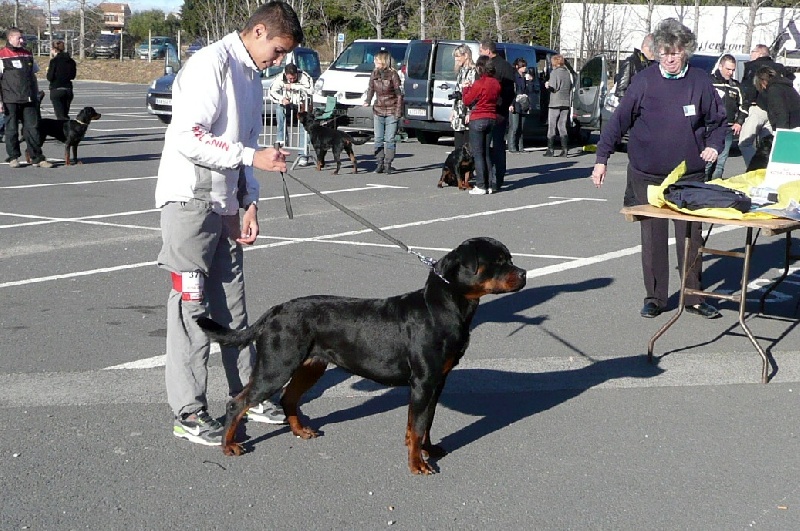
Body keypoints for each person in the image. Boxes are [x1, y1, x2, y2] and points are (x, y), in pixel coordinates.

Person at [155, 1, 303, 447]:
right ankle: (189, 411)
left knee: (234, 312)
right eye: (276, 51)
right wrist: (247, 158)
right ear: (258, 32)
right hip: (188, 201)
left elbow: (249, 144)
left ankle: (249, 394)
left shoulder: (253, 77)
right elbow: (188, 136)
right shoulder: (209, 65)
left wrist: (250, 202)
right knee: (190, 310)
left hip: (224, 206)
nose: (277, 61)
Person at [591, 18, 727, 320]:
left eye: (676, 52)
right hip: (647, 174)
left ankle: (692, 295)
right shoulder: (645, 80)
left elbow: (718, 122)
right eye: (664, 52)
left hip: (689, 174)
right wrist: (602, 159)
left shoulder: (701, 81)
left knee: (690, 236)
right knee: (652, 236)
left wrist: (714, 146)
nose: (670, 58)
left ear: (686, 52)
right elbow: (618, 121)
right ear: (657, 52)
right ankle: (654, 297)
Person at [0, 28, 51, 168]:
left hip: (29, 98)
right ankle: (13, 157)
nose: (22, 40)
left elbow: (33, 75)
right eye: (19, 38)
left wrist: (36, 94)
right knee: (11, 129)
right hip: (10, 99)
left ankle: (37, 158)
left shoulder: (27, 54)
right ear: (10, 38)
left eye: (22, 38)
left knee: (33, 128)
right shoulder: (2, 55)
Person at [738, 44, 794, 166]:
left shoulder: (754, 67)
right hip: (772, 112)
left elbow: (748, 89)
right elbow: (792, 78)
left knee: (744, 143)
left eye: (752, 51)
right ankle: (768, 167)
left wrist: (743, 112)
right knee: (768, 145)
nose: (750, 54)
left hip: (758, 108)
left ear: (759, 53)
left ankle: (755, 167)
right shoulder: (779, 67)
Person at [462, 55, 501, 195]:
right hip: (491, 117)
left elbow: (467, 101)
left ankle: (480, 185)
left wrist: (465, 89)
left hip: (478, 118)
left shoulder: (479, 83)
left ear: (480, 68)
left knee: (478, 154)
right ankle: (490, 184)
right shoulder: (496, 83)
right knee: (486, 153)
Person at [479, 39, 515, 189]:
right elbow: (510, 92)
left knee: (490, 145)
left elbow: (507, 91)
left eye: (481, 50)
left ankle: (493, 178)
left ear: (488, 51)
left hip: (493, 111)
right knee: (497, 144)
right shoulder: (506, 65)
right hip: (499, 111)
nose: (480, 53)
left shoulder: (493, 66)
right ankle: (496, 178)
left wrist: (499, 105)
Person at [363, 50, 403, 174]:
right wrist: (367, 100)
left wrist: (398, 112)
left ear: (383, 61)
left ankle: (388, 164)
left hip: (391, 109)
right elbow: (370, 89)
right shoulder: (374, 73)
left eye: (377, 60)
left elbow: (399, 95)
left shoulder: (393, 75)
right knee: (378, 138)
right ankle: (379, 163)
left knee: (390, 138)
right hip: (378, 109)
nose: (375, 62)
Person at [706, 54, 745, 179]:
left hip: (728, 128)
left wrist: (739, 122)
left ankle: (716, 185)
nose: (731, 73)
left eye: (733, 70)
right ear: (720, 66)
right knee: (708, 161)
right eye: (728, 69)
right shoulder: (709, 82)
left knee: (721, 162)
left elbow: (744, 107)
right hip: (710, 127)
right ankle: (702, 185)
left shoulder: (735, 86)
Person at [268, 62, 312, 156]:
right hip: (288, 103)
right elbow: (271, 91)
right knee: (279, 110)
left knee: (304, 126)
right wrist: (281, 99)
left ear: (297, 74)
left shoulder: (305, 76)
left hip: (302, 103)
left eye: (294, 78)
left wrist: (293, 87)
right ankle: (282, 141)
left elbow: (310, 90)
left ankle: (303, 154)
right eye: (289, 79)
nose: (291, 80)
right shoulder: (280, 77)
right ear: (285, 75)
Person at [543, 54, 573, 157]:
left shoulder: (554, 73)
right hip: (566, 102)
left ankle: (550, 149)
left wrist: (547, 85)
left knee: (552, 126)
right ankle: (565, 149)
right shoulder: (567, 73)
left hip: (555, 102)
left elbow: (554, 87)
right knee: (562, 125)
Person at [754, 65, 800, 130]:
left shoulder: (774, 90)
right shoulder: (786, 86)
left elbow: (781, 113)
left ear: (763, 81)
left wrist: (781, 134)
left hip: (789, 129)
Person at [450, 44, 476, 153]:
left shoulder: (474, 71)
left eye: (458, 56)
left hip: (468, 108)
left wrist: (470, 112)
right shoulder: (461, 71)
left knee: (467, 144)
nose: (456, 59)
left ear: (466, 55)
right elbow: (457, 90)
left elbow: (475, 94)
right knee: (458, 143)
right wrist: (453, 110)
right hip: (458, 108)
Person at [507, 57, 536, 153]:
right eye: (522, 66)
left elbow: (530, 91)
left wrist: (530, 81)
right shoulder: (514, 77)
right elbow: (511, 91)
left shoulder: (525, 77)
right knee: (514, 126)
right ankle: (512, 146)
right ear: (517, 67)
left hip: (524, 103)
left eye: (525, 66)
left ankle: (520, 146)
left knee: (521, 127)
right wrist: (511, 104)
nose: (524, 68)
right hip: (515, 102)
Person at [614, 34, 655, 99]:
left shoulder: (654, 63)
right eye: (653, 50)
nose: (655, 53)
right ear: (645, 47)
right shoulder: (630, 63)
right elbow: (621, 91)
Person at [46, 40, 77, 120]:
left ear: (54, 50)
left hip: (57, 89)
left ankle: (64, 131)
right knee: (65, 114)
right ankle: (66, 129)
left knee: (60, 116)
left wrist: (48, 71)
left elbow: (50, 77)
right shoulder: (71, 61)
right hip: (68, 89)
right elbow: (73, 76)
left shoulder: (54, 61)